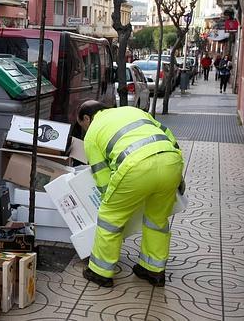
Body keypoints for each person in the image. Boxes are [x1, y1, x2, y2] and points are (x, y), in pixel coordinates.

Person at [77, 101, 184, 288]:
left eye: (82, 126)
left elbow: (102, 175)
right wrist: (178, 177)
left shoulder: (92, 134)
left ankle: (100, 272)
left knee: (110, 218)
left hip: (135, 167)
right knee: (157, 220)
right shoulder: (133, 111)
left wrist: (107, 200)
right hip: (171, 162)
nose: (85, 130)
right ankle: (153, 270)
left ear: (87, 118)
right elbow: (169, 136)